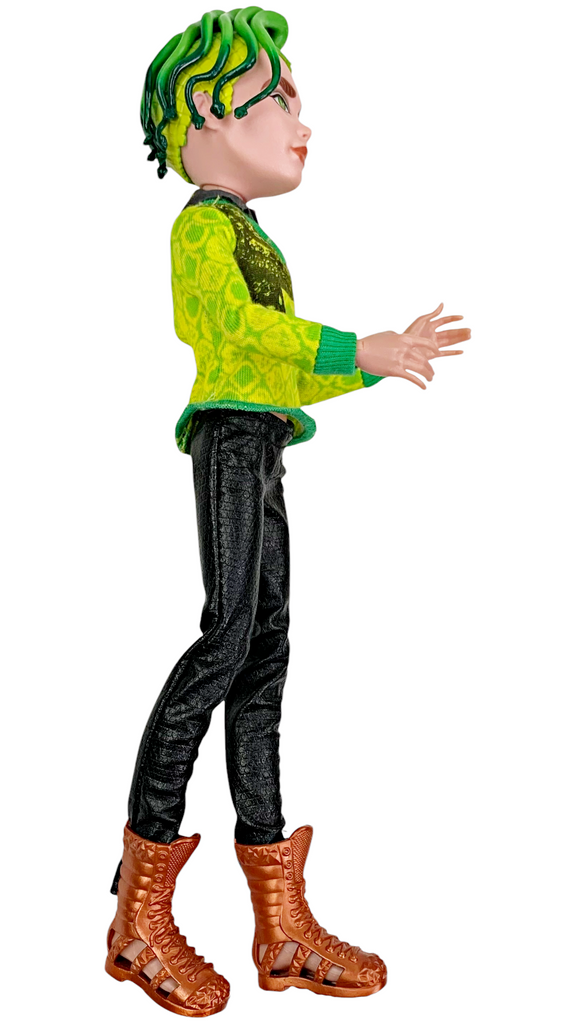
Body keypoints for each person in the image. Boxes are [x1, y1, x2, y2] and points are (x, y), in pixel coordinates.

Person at [105, 8, 470, 1016]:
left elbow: (280, 367)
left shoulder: (251, 233)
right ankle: (139, 914)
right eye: (278, 99)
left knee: (265, 652)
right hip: (229, 444)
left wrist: (377, 361)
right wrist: (359, 348)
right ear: (208, 112)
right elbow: (234, 335)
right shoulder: (202, 229)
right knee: (226, 640)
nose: (301, 122)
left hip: (260, 444)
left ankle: (279, 922)